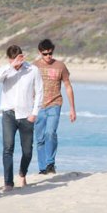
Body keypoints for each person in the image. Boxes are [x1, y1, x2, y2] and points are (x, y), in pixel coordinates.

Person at [0, 45, 43, 191]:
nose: (17, 62)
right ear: (9, 58)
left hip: (26, 115)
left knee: (27, 150)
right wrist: (11, 66)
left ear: (22, 56)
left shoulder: (32, 70)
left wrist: (35, 113)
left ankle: (22, 173)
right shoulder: (5, 70)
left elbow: (39, 91)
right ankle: (8, 182)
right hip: (8, 113)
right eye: (13, 59)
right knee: (8, 148)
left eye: (19, 58)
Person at [33, 39, 77, 175]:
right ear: (40, 52)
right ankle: (42, 168)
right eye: (45, 54)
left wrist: (72, 108)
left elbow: (68, 86)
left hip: (55, 104)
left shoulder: (60, 66)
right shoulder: (33, 67)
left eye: (50, 53)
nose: (48, 56)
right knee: (40, 139)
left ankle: (50, 163)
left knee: (50, 133)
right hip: (38, 106)